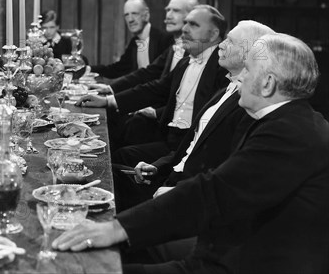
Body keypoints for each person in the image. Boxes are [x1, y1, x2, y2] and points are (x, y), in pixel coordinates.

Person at [54, 33, 329, 274]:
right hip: (226, 250)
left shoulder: (290, 133)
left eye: (247, 69)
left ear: (268, 84)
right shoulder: (286, 120)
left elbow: (214, 191)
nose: (240, 77)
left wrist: (116, 228)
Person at [113, 21, 274, 214]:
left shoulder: (248, 104)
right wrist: (157, 166)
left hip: (188, 193)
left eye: (230, 41)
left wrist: (179, 192)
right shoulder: (225, 90)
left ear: (249, 54)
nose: (221, 45)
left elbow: (224, 165)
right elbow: (193, 145)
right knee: (108, 171)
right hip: (172, 176)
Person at [80, 5, 228, 156]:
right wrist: (107, 101)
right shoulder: (185, 63)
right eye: (186, 23)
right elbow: (156, 88)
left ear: (214, 34)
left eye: (193, 24)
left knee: (120, 153)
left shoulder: (223, 66)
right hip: (170, 136)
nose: (184, 29)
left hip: (193, 147)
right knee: (110, 139)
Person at [89, 0, 173, 80]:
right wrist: (88, 69)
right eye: (126, 15)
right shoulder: (134, 42)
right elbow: (118, 69)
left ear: (146, 15)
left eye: (134, 14)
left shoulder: (164, 39)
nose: (130, 20)